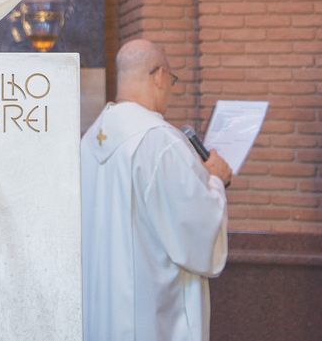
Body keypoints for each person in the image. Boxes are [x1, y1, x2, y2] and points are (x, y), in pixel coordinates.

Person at [81, 39, 232, 341]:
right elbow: (197, 236)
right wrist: (216, 179)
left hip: (104, 312)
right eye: (172, 81)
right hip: (151, 317)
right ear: (159, 76)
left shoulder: (90, 141)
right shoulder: (160, 141)